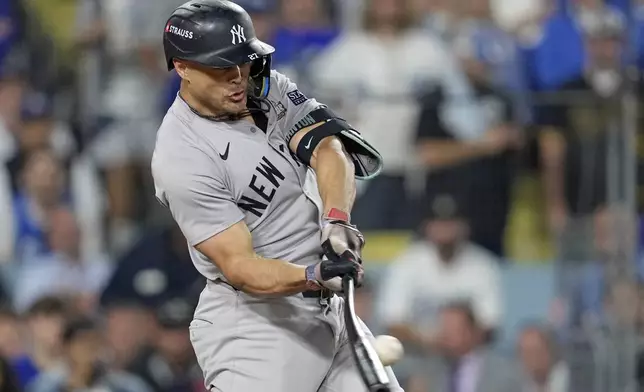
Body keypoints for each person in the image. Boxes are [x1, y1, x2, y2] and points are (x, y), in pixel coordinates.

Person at [151, 1, 402, 391]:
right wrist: (314, 274)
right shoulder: (181, 155)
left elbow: (328, 148)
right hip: (256, 328)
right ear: (182, 67)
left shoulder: (264, 88)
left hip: (326, 307)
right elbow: (239, 266)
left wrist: (336, 219)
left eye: (243, 61)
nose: (237, 77)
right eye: (221, 68)